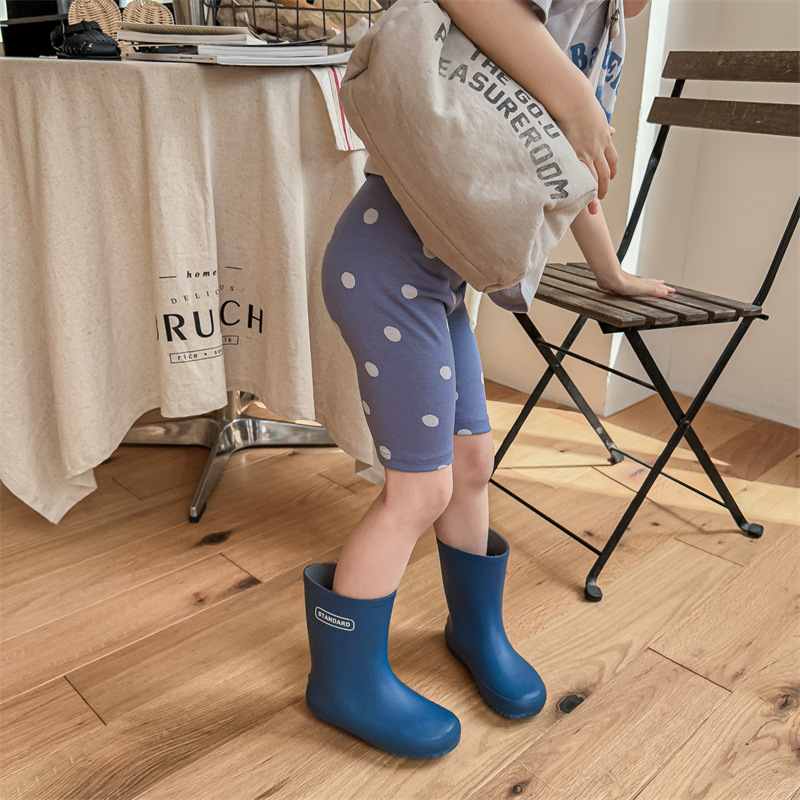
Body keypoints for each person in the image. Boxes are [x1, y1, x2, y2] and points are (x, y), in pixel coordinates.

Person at [303, 0, 668, 759]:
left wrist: (611, 271)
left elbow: (570, 176)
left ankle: (474, 628)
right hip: (385, 273)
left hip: (437, 286)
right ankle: (343, 678)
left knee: (471, 463)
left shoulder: (599, 33)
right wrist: (572, 95)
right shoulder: (551, 19)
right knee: (419, 489)